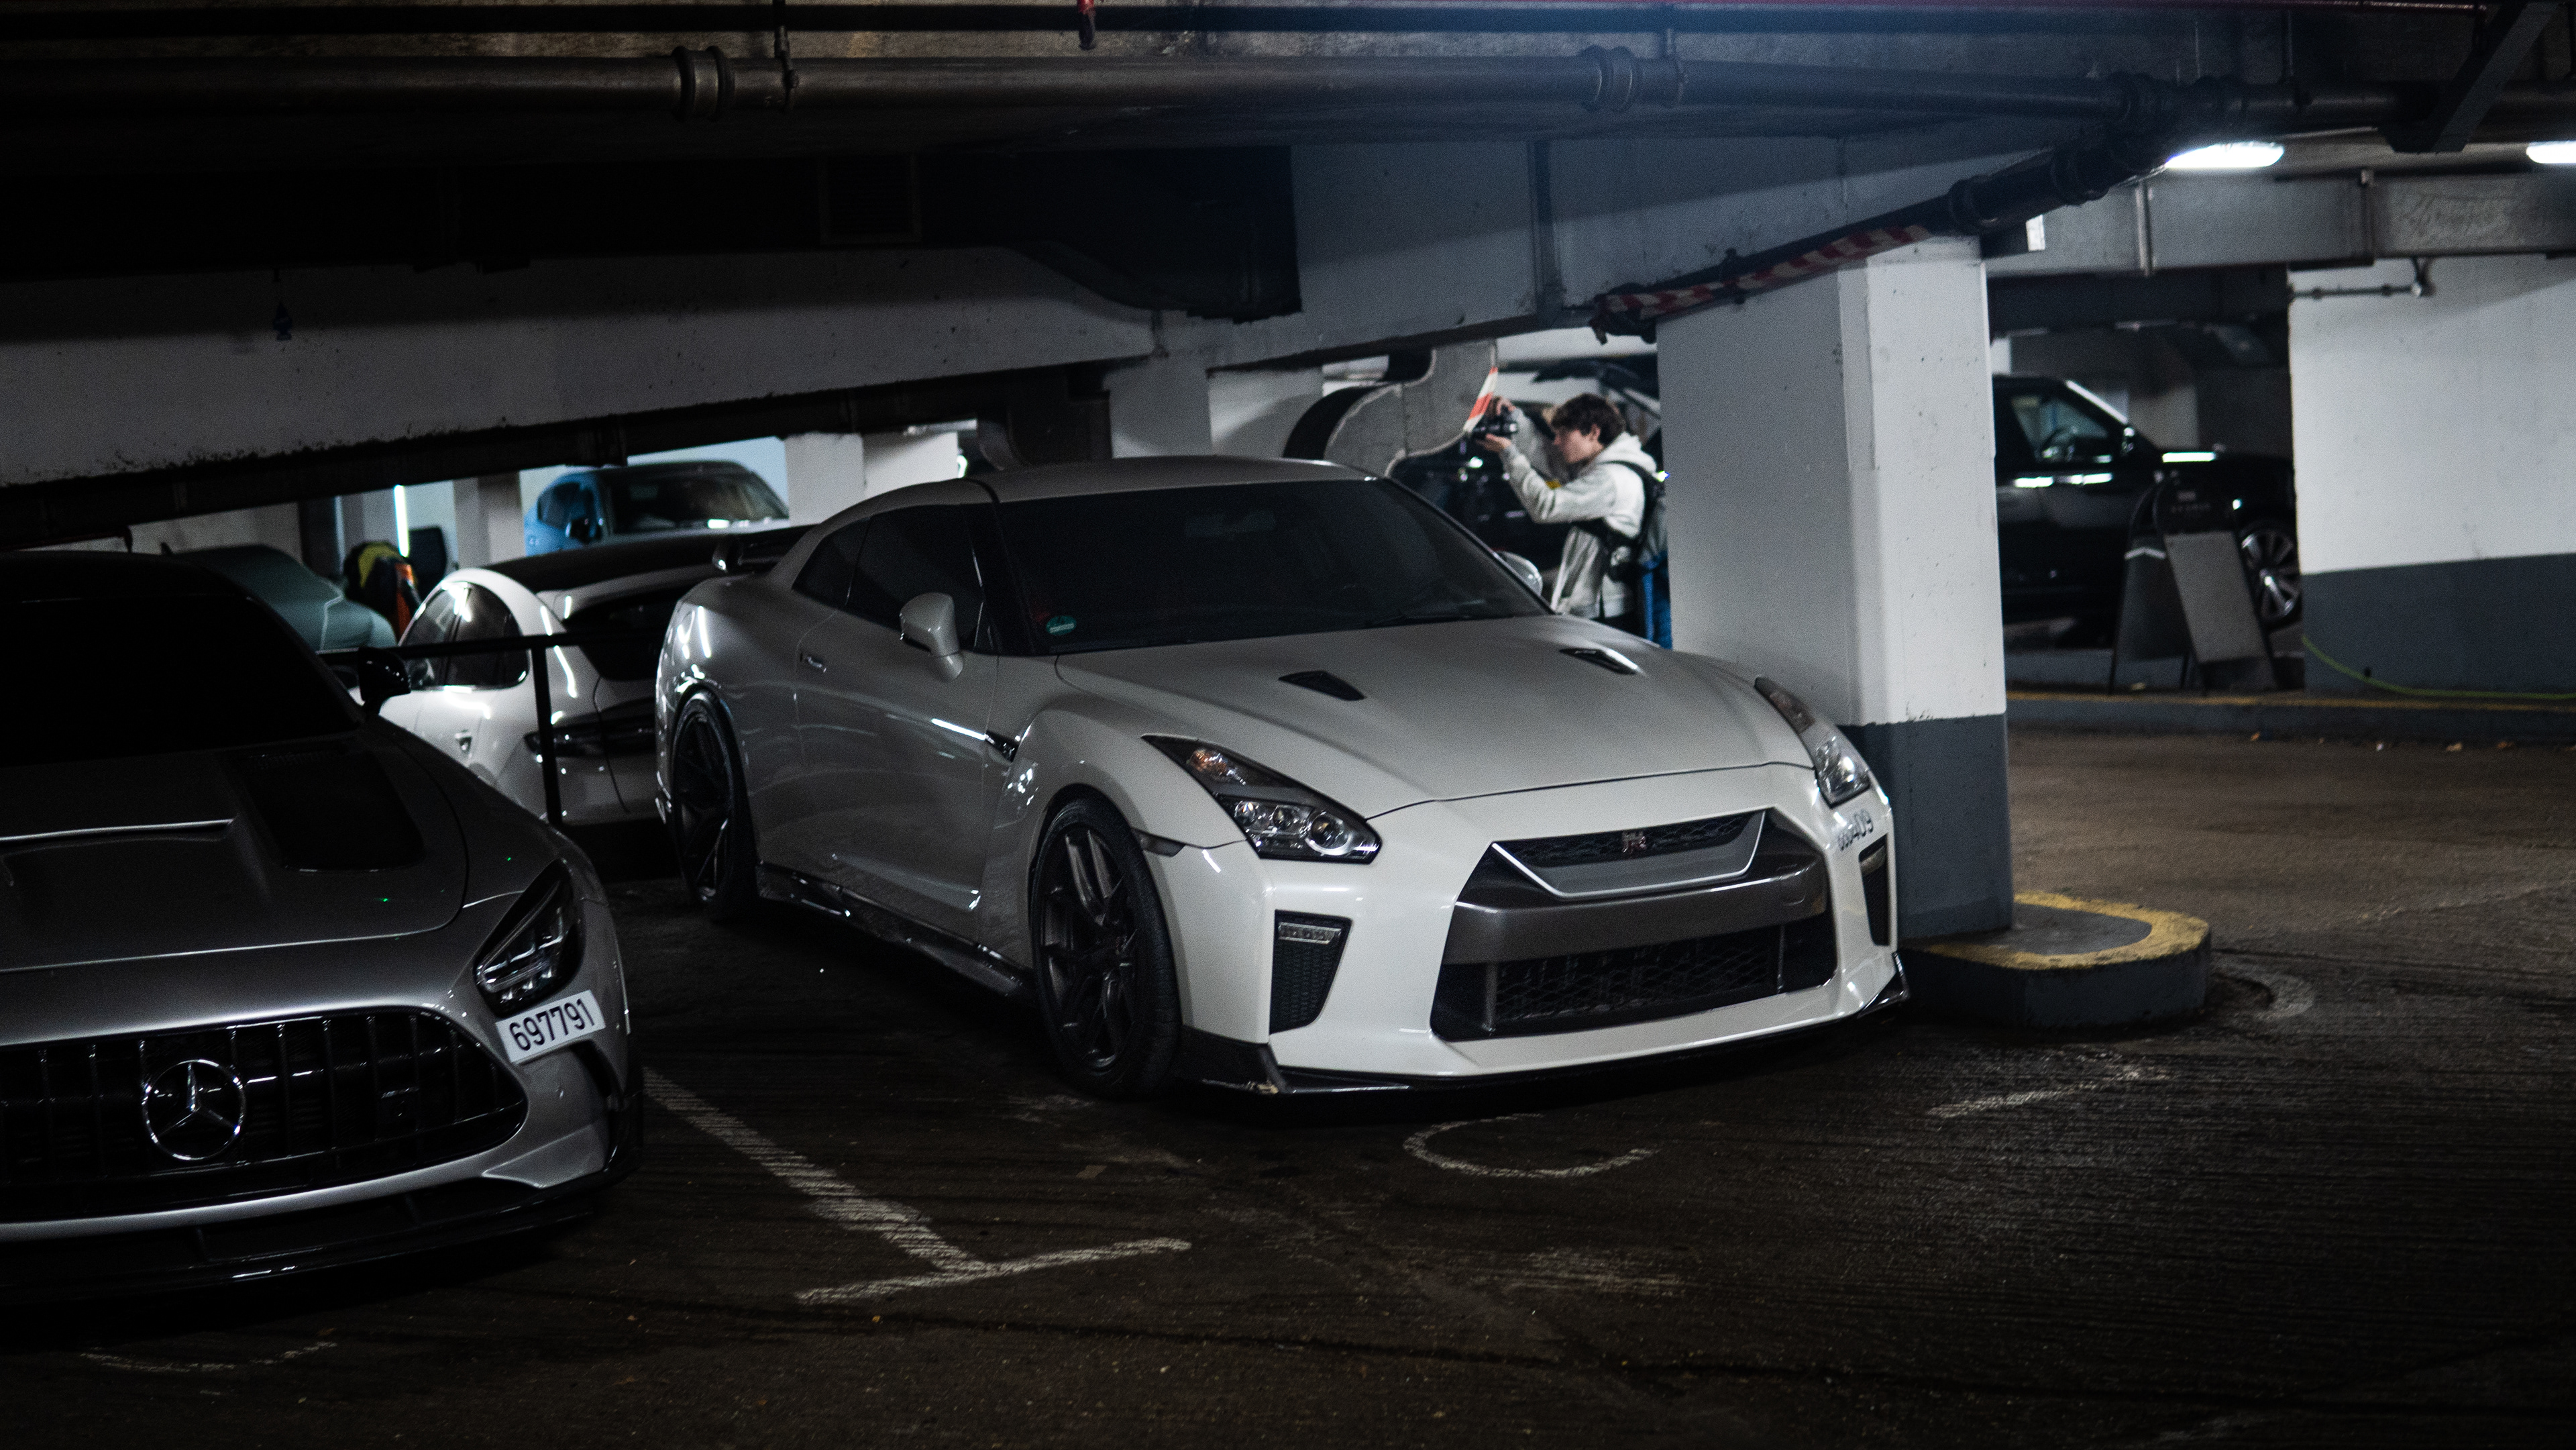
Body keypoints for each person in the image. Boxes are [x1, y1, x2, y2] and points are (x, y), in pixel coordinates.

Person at [1477, 392, 1657, 635]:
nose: (1556, 442)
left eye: (1563, 434)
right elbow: (1546, 456)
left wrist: (1509, 454)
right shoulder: (1604, 468)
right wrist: (1515, 419)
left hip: (1604, 614)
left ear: (1593, 432)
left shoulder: (1612, 479)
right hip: (1599, 608)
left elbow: (1546, 506)